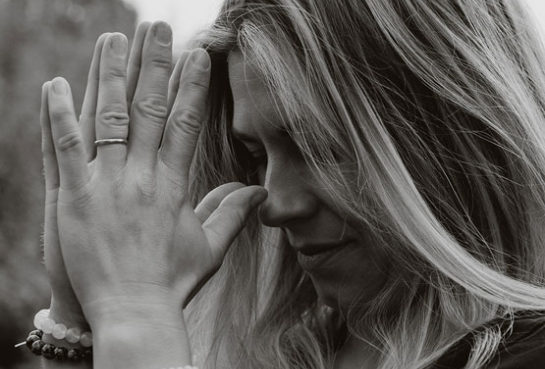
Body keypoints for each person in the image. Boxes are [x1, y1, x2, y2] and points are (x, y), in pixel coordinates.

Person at [25, 0, 545, 368]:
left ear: (456, 131)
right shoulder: (292, 350)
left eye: (321, 147)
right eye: (255, 155)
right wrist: (81, 318)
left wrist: (135, 316)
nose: (276, 205)